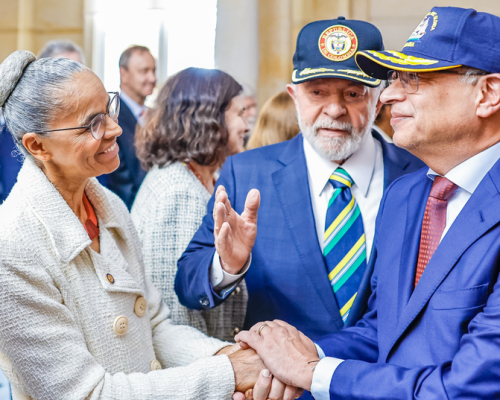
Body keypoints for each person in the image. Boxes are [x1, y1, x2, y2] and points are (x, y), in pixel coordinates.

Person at [234, 7, 500, 400]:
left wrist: (314, 372)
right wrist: (290, 358)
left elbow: (468, 387)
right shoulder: (407, 196)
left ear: (488, 94)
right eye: (394, 79)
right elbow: (383, 330)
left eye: (414, 79)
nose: (389, 94)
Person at [0, 50, 298, 400]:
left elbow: (154, 326)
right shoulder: (13, 246)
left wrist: (225, 356)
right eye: (93, 123)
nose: (115, 128)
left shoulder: (107, 206)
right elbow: (86, 394)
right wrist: (228, 373)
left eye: (109, 109)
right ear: (38, 146)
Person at [176, 15, 424, 378]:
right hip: (281, 386)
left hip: (389, 383)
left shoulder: (421, 175)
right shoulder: (248, 173)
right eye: (318, 92)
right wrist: (227, 267)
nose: (335, 109)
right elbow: (187, 281)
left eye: (353, 94)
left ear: (379, 100)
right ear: (294, 96)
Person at [131, 67, 249, 342]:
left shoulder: (201, 178)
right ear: (210, 118)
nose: (246, 126)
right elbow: (175, 313)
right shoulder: (178, 191)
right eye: (239, 114)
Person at [100, 45, 156, 209]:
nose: (152, 78)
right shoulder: (111, 118)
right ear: (123, 74)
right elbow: (119, 181)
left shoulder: (155, 116)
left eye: (153, 70)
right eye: (144, 71)